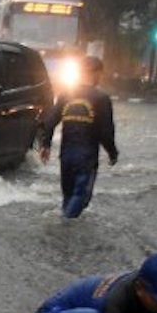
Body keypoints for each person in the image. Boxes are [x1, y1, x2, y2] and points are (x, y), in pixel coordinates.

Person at [38, 56, 117, 218]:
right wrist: (113, 153)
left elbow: (50, 121)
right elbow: (106, 131)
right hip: (86, 158)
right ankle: (64, 227)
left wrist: (45, 145)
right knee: (82, 197)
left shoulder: (66, 95)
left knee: (68, 197)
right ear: (97, 73)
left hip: (66, 156)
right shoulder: (101, 98)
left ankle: (64, 231)